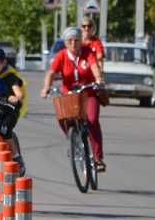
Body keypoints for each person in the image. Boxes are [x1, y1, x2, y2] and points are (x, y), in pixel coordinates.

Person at [41, 26, 107, 172]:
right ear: (65, 42)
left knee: (92, 120)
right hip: (69, 95)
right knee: (62, 117)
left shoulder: (87, 53)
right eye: (70, 41)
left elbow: (94, 66)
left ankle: (97, 158)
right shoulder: (61, 55)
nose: (73, 44)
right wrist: (46, 87)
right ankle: (73, 140)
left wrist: (98, 79)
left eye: (77, 40)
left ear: (81, 41)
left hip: (88, 93)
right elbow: (51, 73)